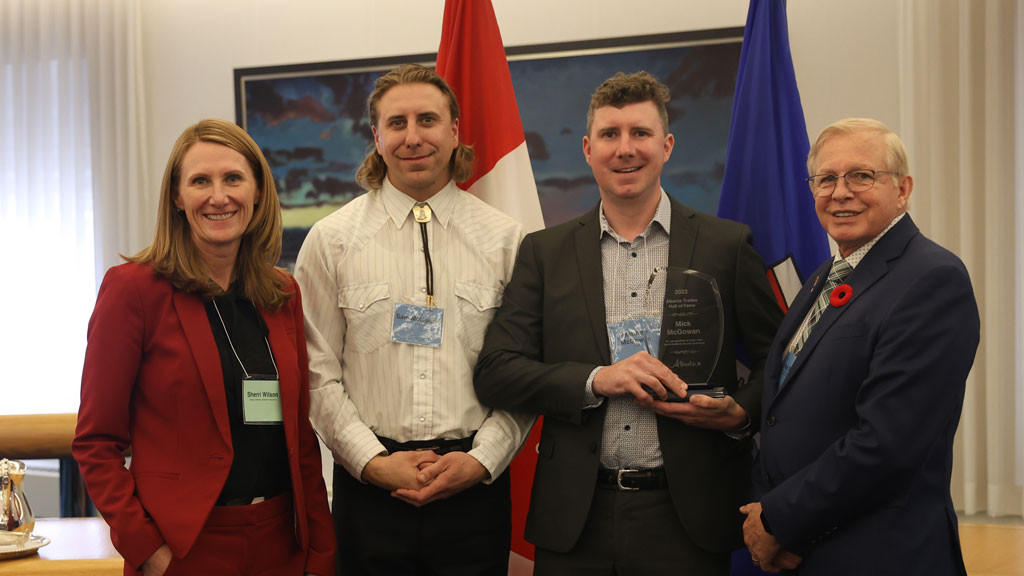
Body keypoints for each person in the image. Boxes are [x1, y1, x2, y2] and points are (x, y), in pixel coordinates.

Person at [473, 71, 782, 575]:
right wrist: (597, 379)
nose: (625, 149)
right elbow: (497, 370)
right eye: (610, 135)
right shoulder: (544, 253)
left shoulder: (726, 246)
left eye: (640, 133)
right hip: (576, 517)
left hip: (688, 518)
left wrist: (739, 414)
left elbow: (781, 358)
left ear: (667, 145)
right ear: (588, 149)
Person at [293, 64, 534, 575]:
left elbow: (526, 371)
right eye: (396, 123)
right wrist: (373, 462)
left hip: (475, 491)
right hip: (368, 493)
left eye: (427, 119)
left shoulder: (507, 241)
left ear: (454, 131)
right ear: (376, 137)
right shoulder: (331, 241)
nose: (413, 136)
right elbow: (316, 373)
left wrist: (480, 460)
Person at [73, 118, 335, 576]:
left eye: (233, 178)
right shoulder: (133, 291)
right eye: (200, 181)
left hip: (281, 543)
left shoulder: (281, 293)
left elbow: (300, 438)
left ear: (257, 192)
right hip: (185, 548)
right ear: (177, 197)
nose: (219, 196)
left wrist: (320, 551)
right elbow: (96, 443)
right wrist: (149, 553)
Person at [739, 118, 980, 575]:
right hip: (803, 549)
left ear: (903, 189)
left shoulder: (932, 280)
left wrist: (778, 519)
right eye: (826, 178)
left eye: (862, 176)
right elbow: (783, 412)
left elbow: (887, 444)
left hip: (880, 554)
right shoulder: (822, 277)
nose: (840, 191)